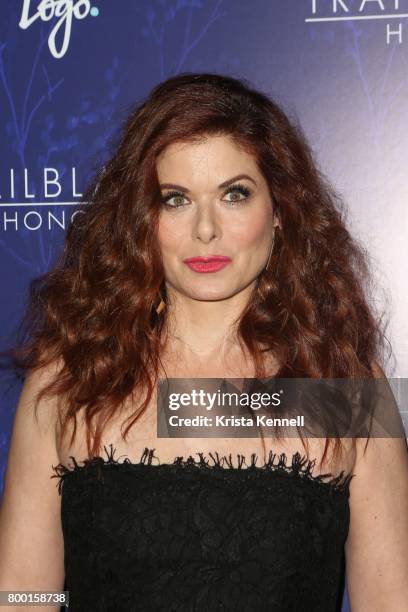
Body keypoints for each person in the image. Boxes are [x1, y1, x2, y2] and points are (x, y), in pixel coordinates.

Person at [0, 72, 407, 612]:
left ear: (280, 211)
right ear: (141, 219)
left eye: (234, 194)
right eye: (175, 199)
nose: (206, 230)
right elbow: (25, 595)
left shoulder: (343, 394)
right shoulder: (70, 384)